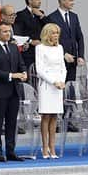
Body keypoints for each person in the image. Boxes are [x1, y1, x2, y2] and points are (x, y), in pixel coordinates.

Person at [0, 21, 28, 162]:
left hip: (14, 91)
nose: (7, 34)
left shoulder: (13, 47)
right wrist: (11, 75)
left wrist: (23, 72)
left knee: (12, 123)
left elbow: (21, 63)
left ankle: (11, 151)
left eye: (9, 31)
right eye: (4, 31)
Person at [35, 23, 65, 159]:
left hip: (59, 85)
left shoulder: (60, 48)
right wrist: (53, 81)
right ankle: (45, 147)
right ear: (47, 34)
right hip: (47, 85)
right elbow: (39, 69)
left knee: (54, 116)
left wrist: (62, 81)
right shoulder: (40, 48)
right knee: (46, 116)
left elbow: (63, 67)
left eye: (57, 33)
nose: (55, 35)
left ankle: (53, 147)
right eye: (53, 33)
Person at [44, 0, 85, 83]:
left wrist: (80, 56)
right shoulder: (52, 18)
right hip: (59, 61)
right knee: (60, 87)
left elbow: (79, 37)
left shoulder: (74, 16)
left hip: (73, 60)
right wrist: (63, 54)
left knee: (70, 88)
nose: (73, 3)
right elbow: (49, 40)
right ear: (62, 1)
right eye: (70, 0)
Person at [13, 0, 44, 70]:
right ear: (30, 1)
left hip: (40, 51)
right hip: (27, 51)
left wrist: (42, 15)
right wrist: (30, 41)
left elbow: (50, 26)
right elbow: (18, 33)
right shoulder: (20, 14)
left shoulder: (41, 13)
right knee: (28, 76)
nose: (40, 1)